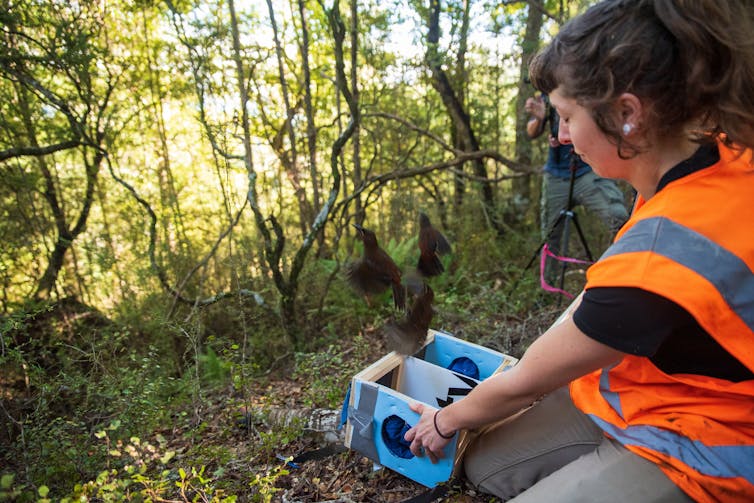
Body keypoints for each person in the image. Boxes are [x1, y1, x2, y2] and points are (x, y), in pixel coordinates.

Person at [404, 1, 754, 501]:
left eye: (567, 117)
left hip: (713, 437)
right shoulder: (705, 157)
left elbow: (528, 381)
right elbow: (592, 312)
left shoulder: (659, 254)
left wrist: (444, 420)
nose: (562, 136)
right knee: (483, 467)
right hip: (640, 389)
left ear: (627, 115)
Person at [524, 92, 628, 283]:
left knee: (617, 215)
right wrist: (540, 119)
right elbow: (531, 131)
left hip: (589, 169)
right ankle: (549, 287)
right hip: (556, 174)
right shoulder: (546, 96)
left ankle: (622, 273)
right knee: (549, 235)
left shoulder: (588, 83)